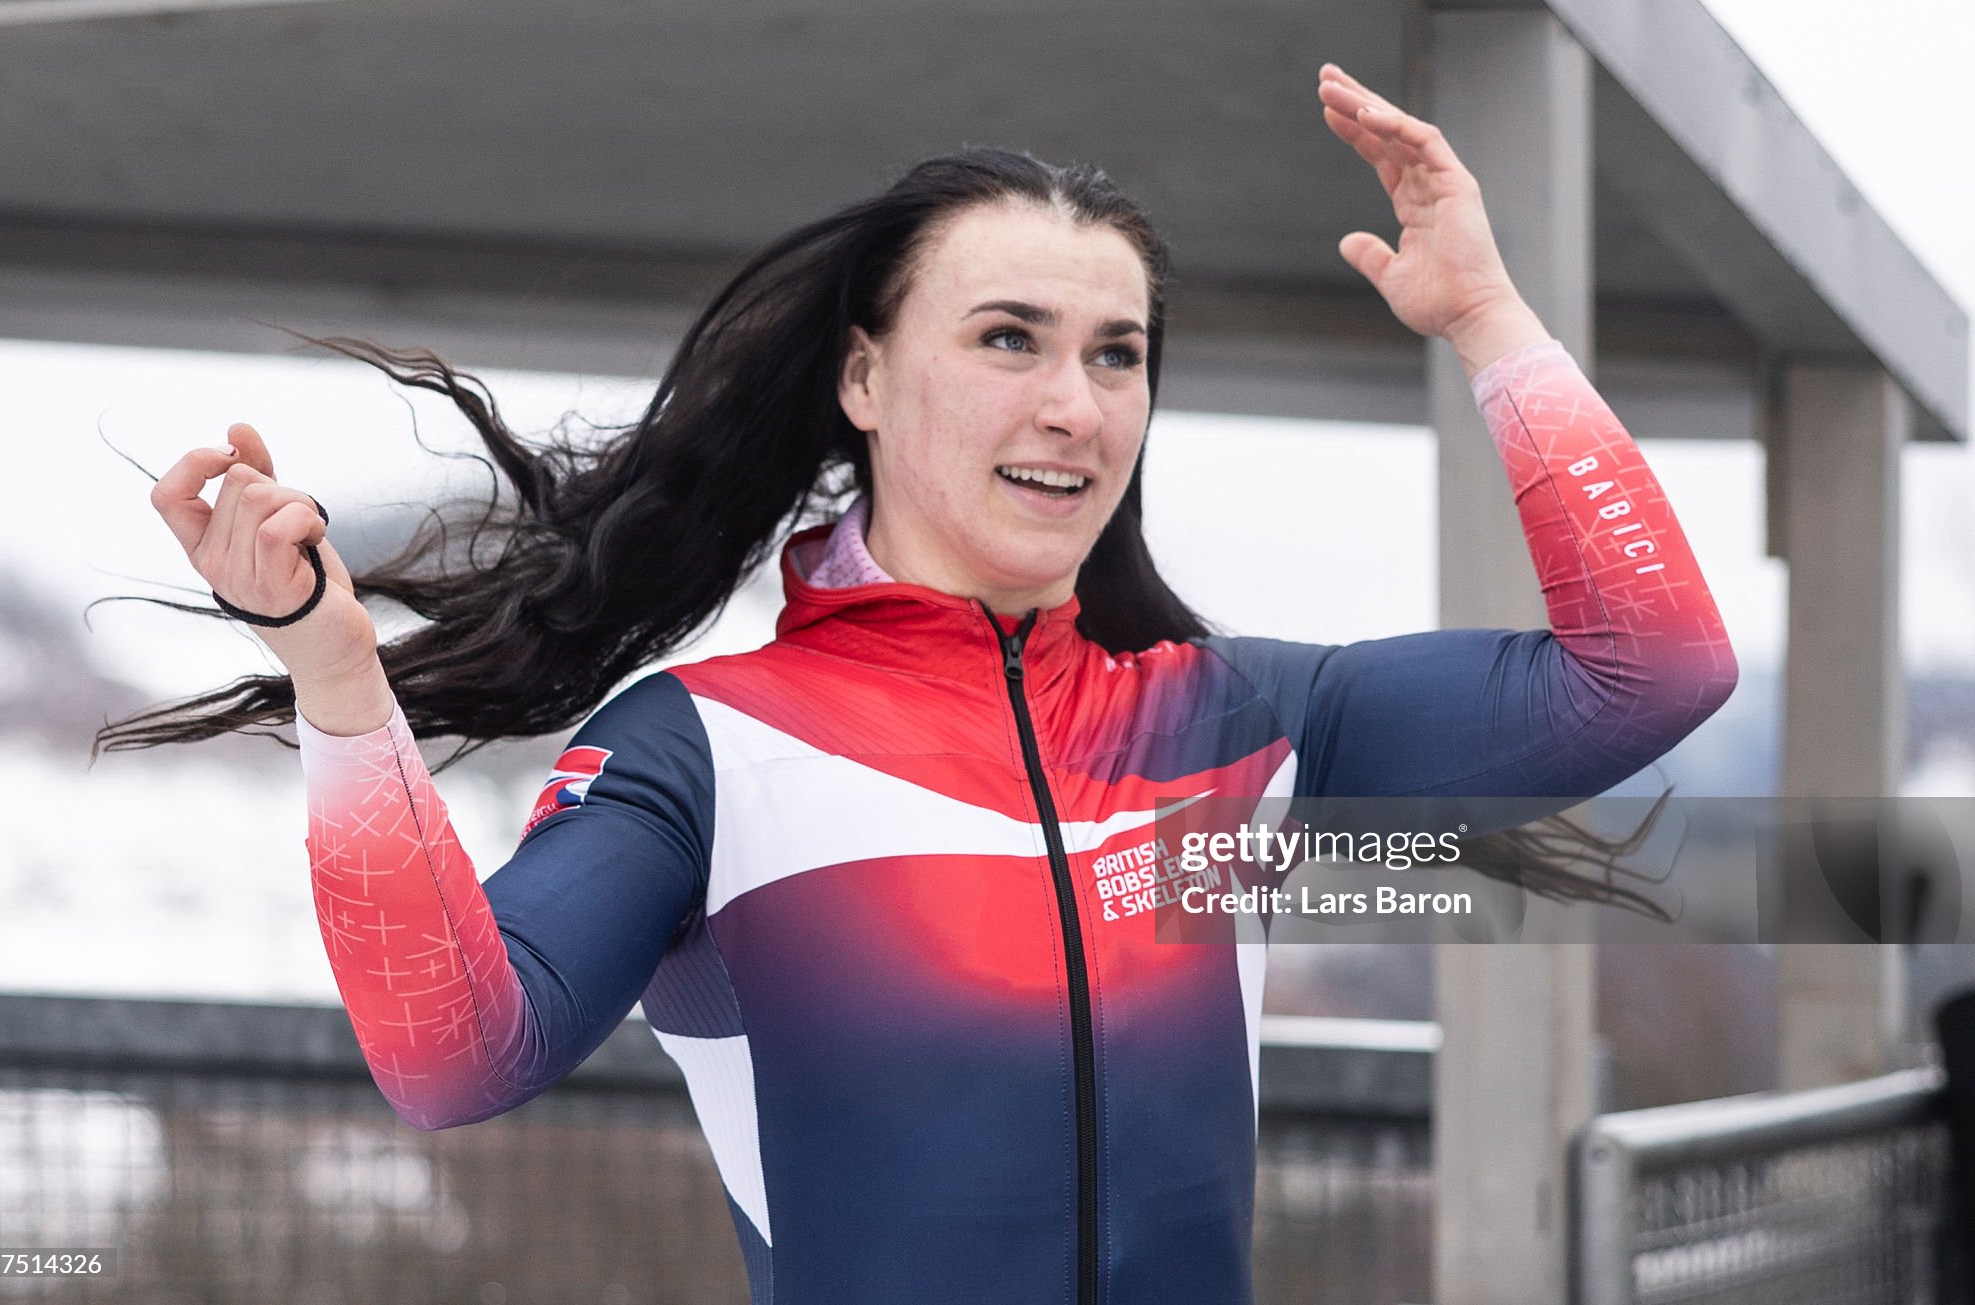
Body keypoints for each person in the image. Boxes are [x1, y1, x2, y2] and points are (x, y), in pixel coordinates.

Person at [119, 65, 1736, 1305]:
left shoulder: (1233, 717)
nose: (1077, 405)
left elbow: (1651, 669)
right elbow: (454, 1056)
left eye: (1118, 354)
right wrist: (339, 680)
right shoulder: (707, 753)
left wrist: (1490, 321)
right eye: (1011, 339)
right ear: (866, 376)